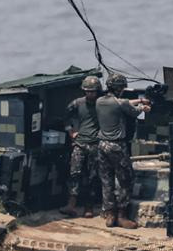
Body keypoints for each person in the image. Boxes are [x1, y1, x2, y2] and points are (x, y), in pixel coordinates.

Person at [95, 73, 151, 229]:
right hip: (116, 146)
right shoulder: (121, 103)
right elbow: (133, 111)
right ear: (120, 88)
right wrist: (144, 107)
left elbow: (121, 103)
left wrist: (138, 100)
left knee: (107, 181)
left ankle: (110, 215)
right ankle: (122, 216)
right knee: (126, 180)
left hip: (102, 146)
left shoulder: (100, 101)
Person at [59, 75, 102, 218]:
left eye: (93, 91)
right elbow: (65, 116)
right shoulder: (77, 103)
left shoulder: (102, 104)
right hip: (80, 143)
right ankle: (71, 205)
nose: (90, 94)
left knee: (92, 176)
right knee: (74, 173)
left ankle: (88, 207)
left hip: (95, 144)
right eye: (87, 91)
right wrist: (71, 132)